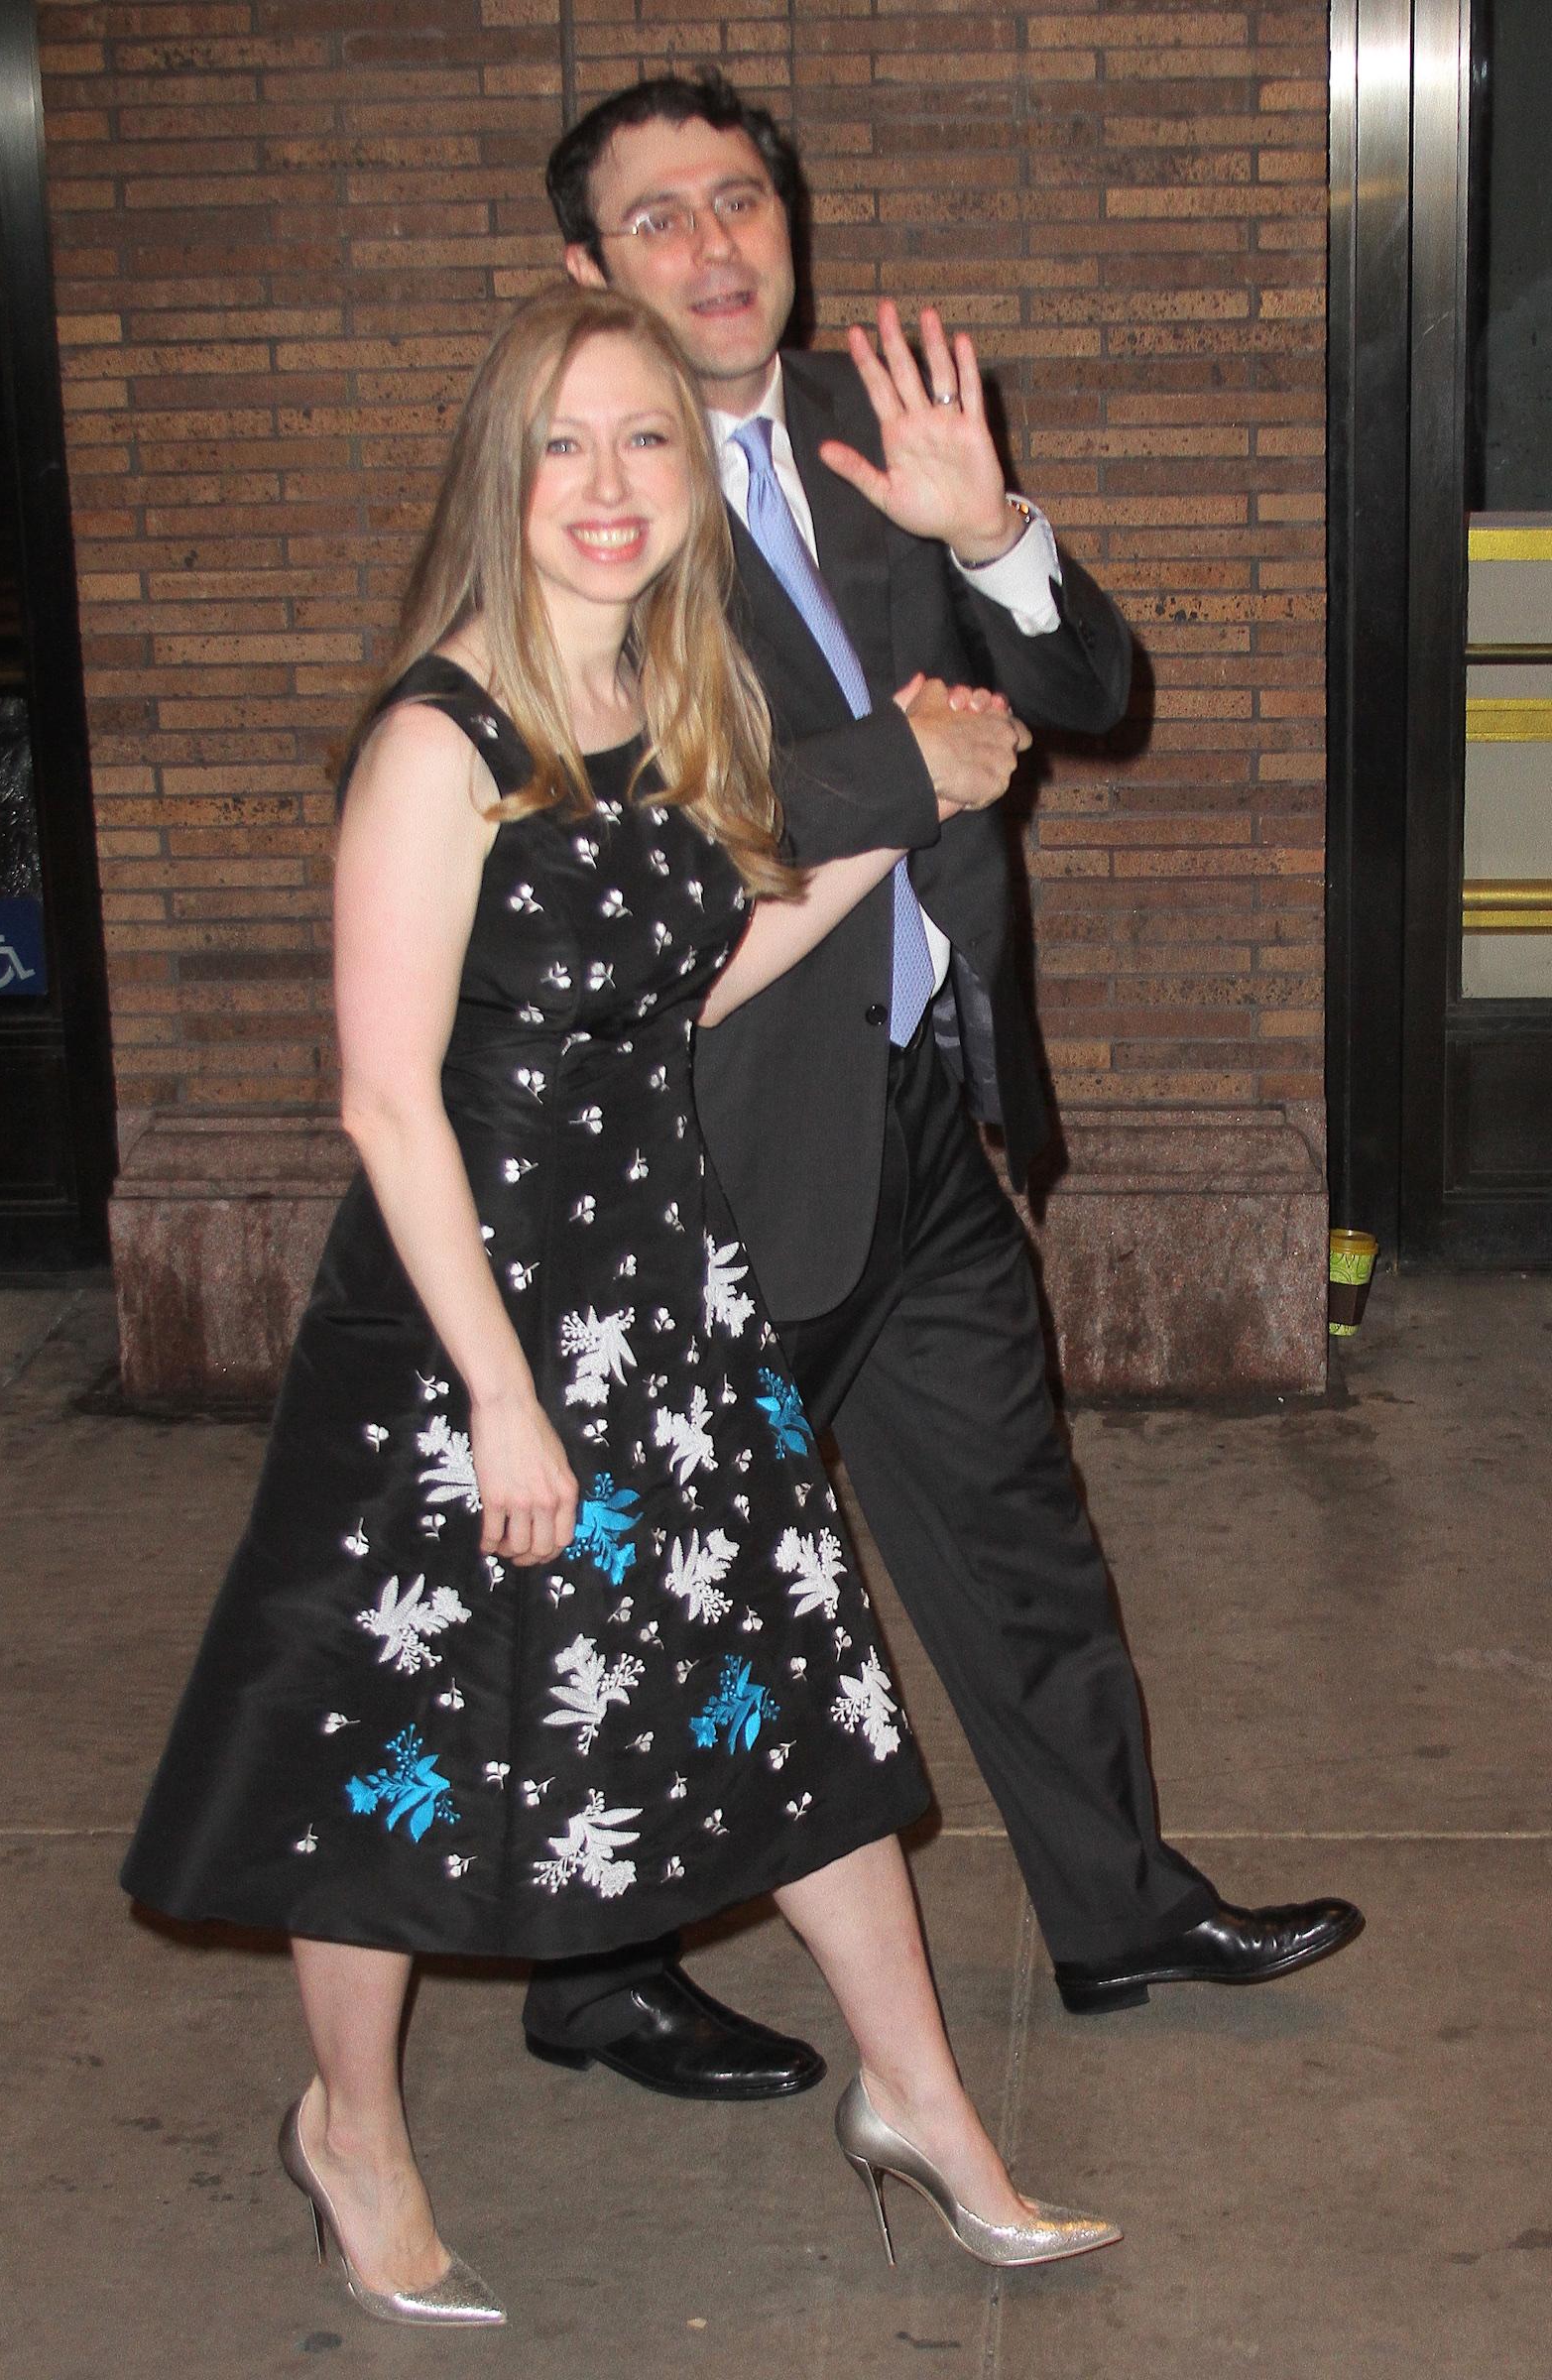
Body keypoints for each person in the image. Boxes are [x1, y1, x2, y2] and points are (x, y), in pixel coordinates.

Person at [121, 282, 1120, 2326]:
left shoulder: (673, 708)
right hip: (463, 1325)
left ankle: (922, 2100)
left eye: (644, 442)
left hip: (663, 1288)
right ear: (503, 474)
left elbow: (685, 998)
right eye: (562, 445)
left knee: (805, 1684)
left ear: (692, 476)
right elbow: (386, 1099)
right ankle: (356, 2132)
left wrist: (892, 830)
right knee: (387, 1747)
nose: (605, 486)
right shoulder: (440, 736)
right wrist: (499, 1397)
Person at [519, 69, 1364, 2090]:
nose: (713, 247)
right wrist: (906, 765)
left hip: (917, 1098)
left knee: (1012, 1529)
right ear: (581, 265)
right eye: (658, 218)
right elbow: (619, 841)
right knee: (681, 1569)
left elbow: (1087, 699)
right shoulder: (582, 492)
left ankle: (1114, 1908)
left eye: (740, 200)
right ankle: (594, 1960)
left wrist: (986, 529)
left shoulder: (865, 422)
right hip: (717, 1151)